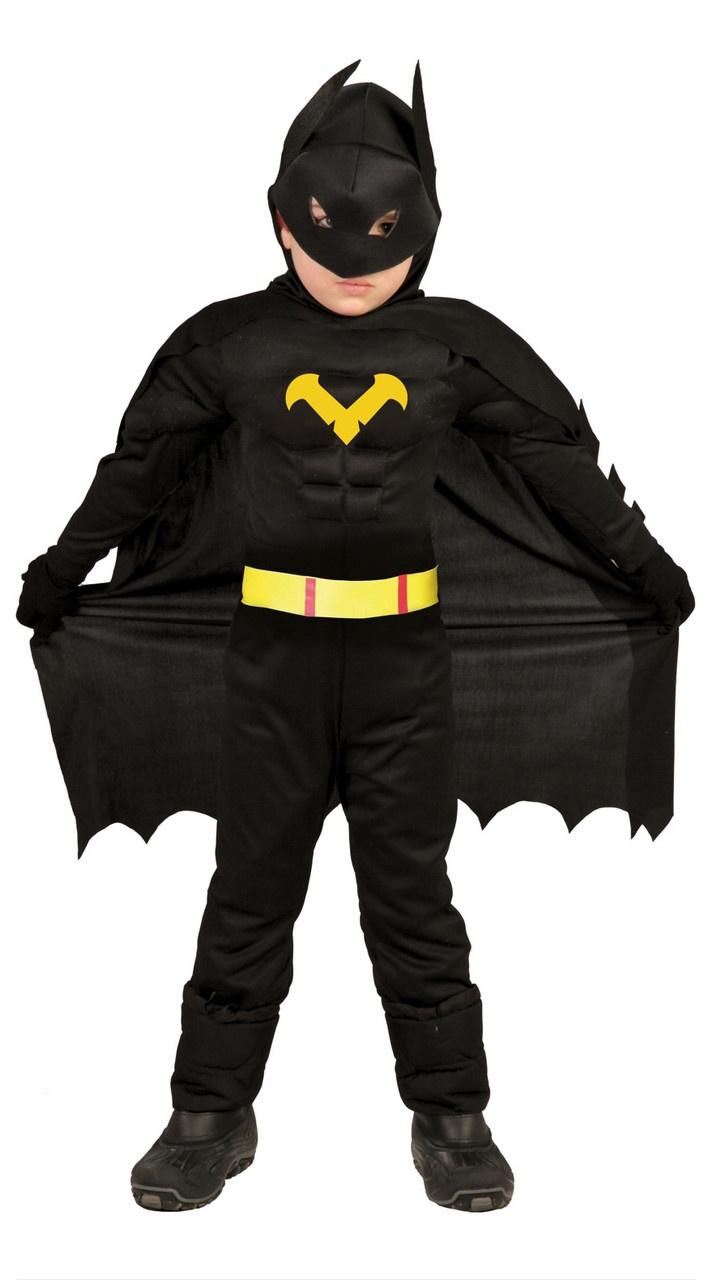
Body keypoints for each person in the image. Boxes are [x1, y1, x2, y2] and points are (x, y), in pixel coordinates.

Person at [16, 62, 693, 1214]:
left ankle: (451, 1114)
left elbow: (555, 468)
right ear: (282, 222)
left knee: (410, 893)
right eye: (326, 234)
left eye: (380, 240)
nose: (350, 265)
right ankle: (208, 1112)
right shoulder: (227, 345)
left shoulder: (456, 348)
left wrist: (646, 567)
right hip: (270, 661)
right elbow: (141, 473)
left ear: (421, 231)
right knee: (250, 887)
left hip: (403, 666)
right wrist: (59, 567)